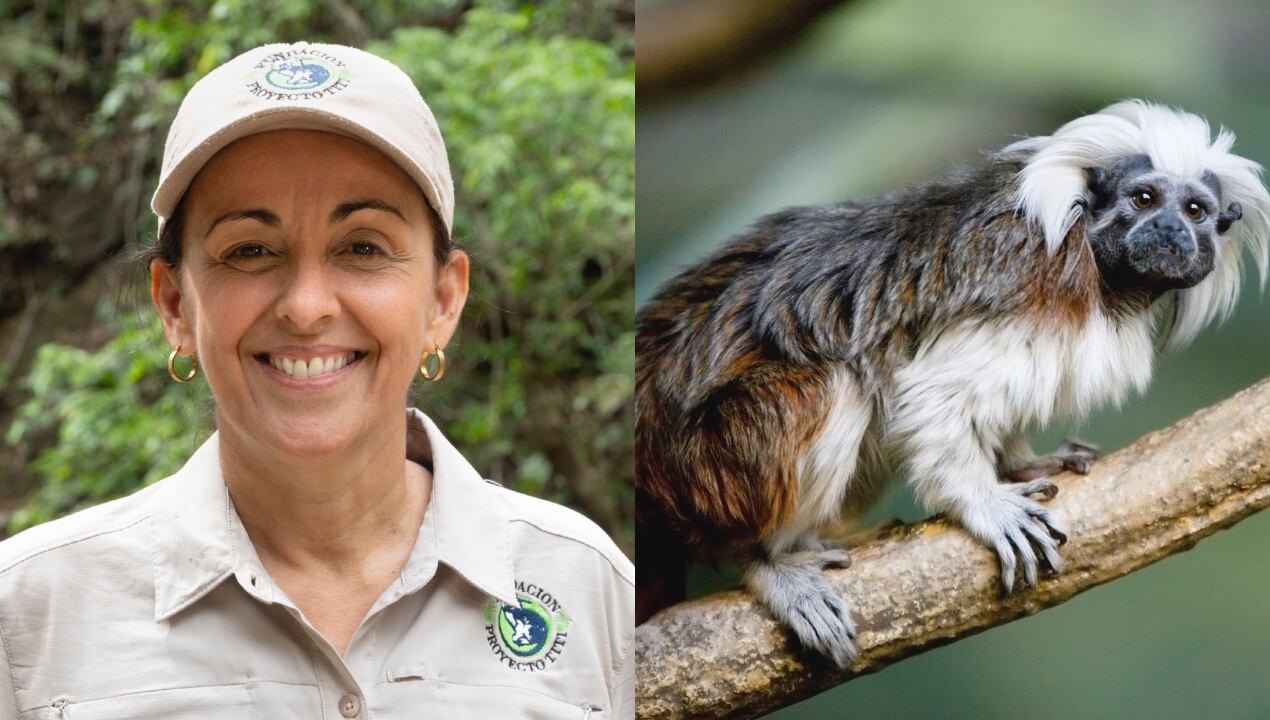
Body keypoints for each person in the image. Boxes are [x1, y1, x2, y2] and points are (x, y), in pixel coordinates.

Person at [0, 41, 633, 719]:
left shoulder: (590, 589)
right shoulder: (31, 614)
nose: (307, 306)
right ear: (176, 305)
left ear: (443, 302)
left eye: (362, 247)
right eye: (250, 250)